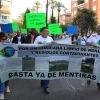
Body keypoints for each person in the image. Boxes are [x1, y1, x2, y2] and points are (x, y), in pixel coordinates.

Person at [34, 27, 54, 94]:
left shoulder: (50, 38)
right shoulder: (38, 38)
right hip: (40, 58)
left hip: (48, 58)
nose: (47, 33)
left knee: (48, 72)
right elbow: (33, 47)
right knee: (42, 71)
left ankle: (46, 87)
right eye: (45, 31)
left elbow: (53, 48)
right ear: (41, 32)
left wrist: (54, 44)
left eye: (47, 31)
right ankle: (43, 79)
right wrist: (37, 45)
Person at [86, 24, 100, 89]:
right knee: (90, 69)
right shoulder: (93, 35)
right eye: (98, 28)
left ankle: (99, 84)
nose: (99, 29)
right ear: (96, 29)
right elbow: (87, 43)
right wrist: (92, 44)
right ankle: (89, 78)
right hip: (93, 56)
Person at [0, 32, 10, 99]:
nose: (4, 40)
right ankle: (1, 93)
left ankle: (7, 86)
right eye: (2, 39)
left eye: (5, 38)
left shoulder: (9, 44)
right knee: (1, 78)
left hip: (7, 64)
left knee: (6, 76)